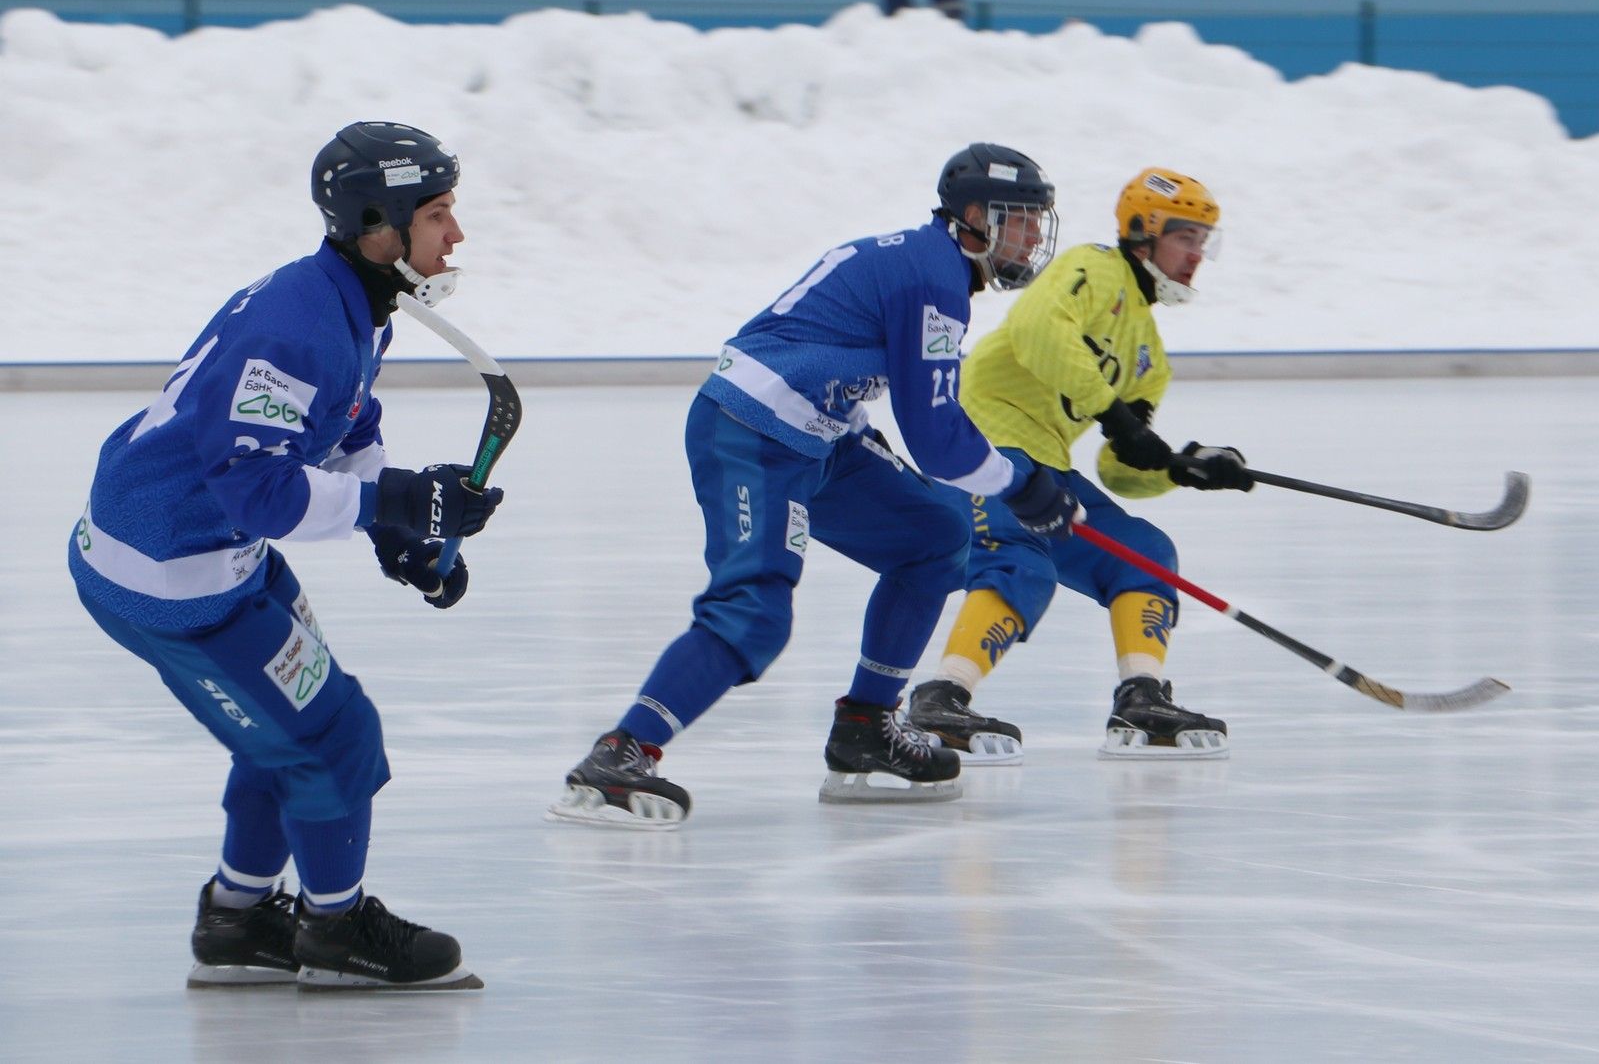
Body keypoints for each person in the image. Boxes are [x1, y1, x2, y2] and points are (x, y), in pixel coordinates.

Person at [68, 121, 503, 990]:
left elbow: (343, 424)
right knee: (334, 735)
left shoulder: (349, 301)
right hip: (172, 579)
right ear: (380, 224)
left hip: (199, 555)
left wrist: (396, 528)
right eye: (439, 213)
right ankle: (335, 932)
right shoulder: (297, 326)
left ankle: (239, 919)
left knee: (286, 730)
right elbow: (259, 492)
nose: (456, 235)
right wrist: (398, 499)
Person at [548, 143, 1078, 830]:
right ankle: (620, 753)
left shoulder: (928, 262)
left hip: (818, 431)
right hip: (752, 433)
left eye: (1039, 222)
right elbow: (938, 438)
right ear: (974, 217)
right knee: (755, 612)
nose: (1034, 237)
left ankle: (865, 727)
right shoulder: (933, 277)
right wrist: (1022, 484)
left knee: (938, 534)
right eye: (1022, 220)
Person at [905, 167, 1252, 764]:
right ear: (1144, 235)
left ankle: (1140, 695)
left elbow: (1119, 471)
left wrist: (1176, 467)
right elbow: (1037, 329)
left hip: (1046, 466)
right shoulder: (1092, 268)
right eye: (1186, 238)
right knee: (1019, 561)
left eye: (1204, 242)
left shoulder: (1151, 358)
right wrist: (1114, 415)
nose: (1197, 255)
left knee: (1145, 553)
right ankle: (941, 695)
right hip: (982, 448)